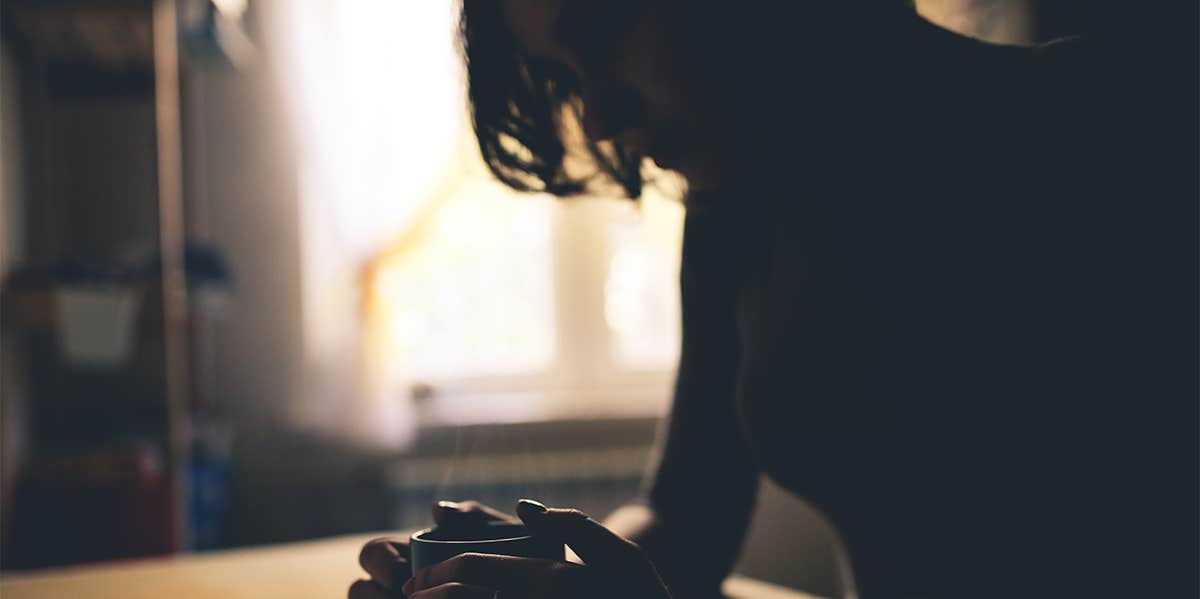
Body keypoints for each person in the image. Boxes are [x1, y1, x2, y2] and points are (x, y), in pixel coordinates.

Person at [351, 1, 1197, 597]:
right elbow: (686, 521)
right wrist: (550, 566)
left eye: (606, 27)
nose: (601, 116)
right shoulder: (737, 208)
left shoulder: (1099, 132)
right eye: (564, 76)